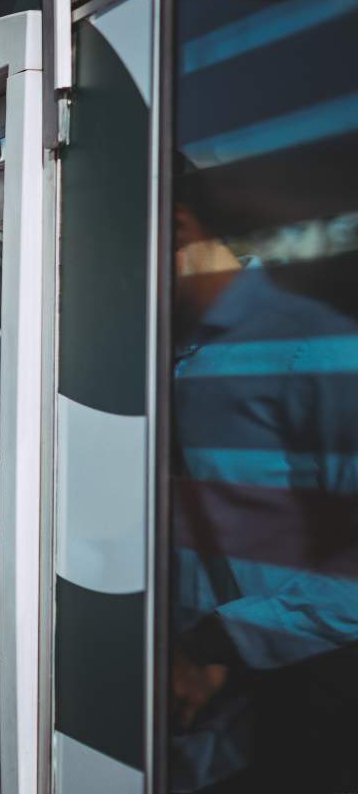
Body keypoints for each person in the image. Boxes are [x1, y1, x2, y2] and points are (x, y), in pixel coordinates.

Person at [169, 201, 358, 792]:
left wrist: (220, 645)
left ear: (179, 226)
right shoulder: (170, 346)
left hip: (299, 711)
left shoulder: (316, 347)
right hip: (195, 709)